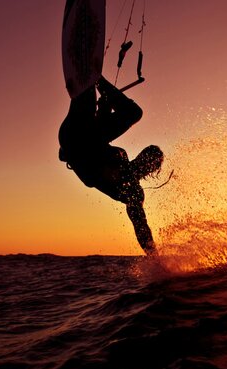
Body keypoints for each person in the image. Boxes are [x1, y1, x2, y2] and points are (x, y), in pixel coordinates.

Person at [59, 77, 163, 255]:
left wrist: (154, 256)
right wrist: (105, 110)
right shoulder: (122, 158)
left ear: (150, 171)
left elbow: (140, 225)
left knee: (122, 111)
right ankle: (93, 77)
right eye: (145, 155)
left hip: (75, 142)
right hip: (83, 134)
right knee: (128, 112)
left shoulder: (133, 193)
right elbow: (100, 140)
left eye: (149, 162)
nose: (144, 161)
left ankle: (93, 79)